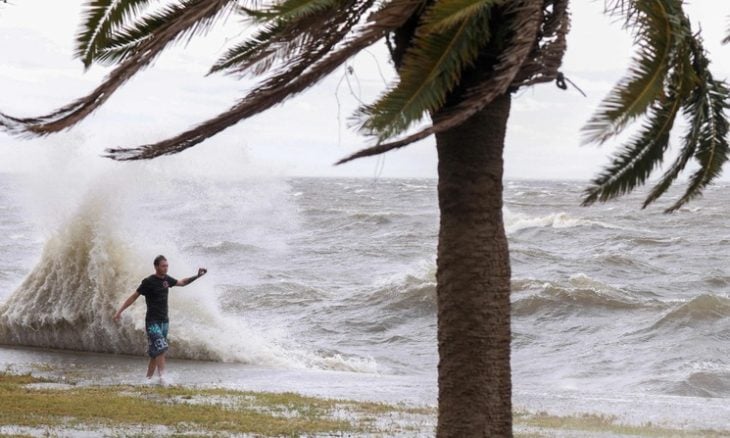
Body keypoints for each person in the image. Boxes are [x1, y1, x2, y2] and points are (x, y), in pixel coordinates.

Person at [113, 255, 207, 383]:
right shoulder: (148, 281)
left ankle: (148, 380)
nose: (166, 268)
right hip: (152, 322)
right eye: (163, 266)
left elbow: (182, 283)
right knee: (161, 348)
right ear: (156, 266)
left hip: (164, 321)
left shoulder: (167, 280)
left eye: (167, 266)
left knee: (155, 353)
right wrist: (119, 311)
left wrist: (197, 276)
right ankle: (163, 378)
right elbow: (134, 297)